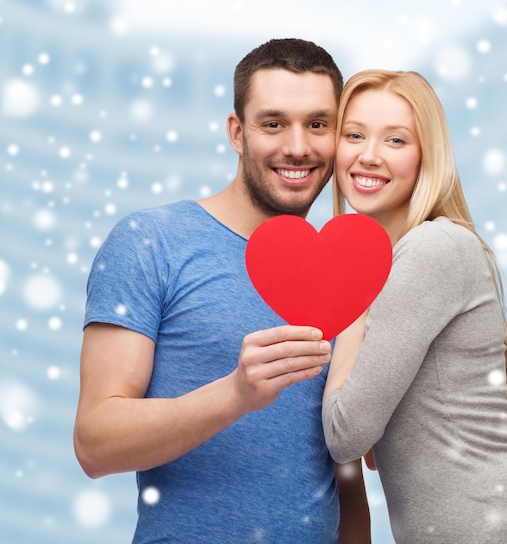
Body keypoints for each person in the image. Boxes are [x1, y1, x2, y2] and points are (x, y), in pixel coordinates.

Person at [74, 38, 371, 543]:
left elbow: (340, 464)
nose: (297, 146)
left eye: (318, 124)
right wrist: (234, 395)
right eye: (273, 123)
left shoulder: (344, 274)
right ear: (237, 132)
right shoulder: (151, 241)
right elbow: (94, 443)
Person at [322, 70, 507, 543]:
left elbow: (346, 436)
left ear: (426, 156)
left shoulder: (431, 249)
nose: (369, 155)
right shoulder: (404, 260)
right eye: (354, 135)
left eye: (395, 140)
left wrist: (351, 314)